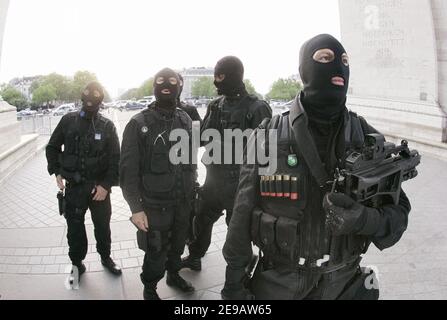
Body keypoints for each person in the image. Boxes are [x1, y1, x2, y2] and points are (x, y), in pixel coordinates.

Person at [221, 34, 412, 300]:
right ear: (304, 71)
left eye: (344, 61)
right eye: (325, 58)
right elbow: (241, 215)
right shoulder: (267, 135)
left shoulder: (366, 137)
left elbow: (400, 214)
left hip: (344, 282)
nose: (338, 68)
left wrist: (363, 219)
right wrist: (233, 286)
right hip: (279, 283)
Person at [181, 56, 272, 271]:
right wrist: (189, 119)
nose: (216, 81)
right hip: (214, 180)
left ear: (232, 76)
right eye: (214, 76)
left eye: (220, 76)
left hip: (241, 184)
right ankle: (195, 257)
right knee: (201, 222)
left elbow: (266, 153)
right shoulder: (215, 105)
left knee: (238, 232)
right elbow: (201, 138)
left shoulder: (257, 107)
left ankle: (242, 269)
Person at [120, 68, 196, 300]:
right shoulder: (138, 123)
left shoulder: (185, 119)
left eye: (172, 81)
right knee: (156, 249)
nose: (166, 85)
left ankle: (173, 274)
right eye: (160, 81)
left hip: (183, 200)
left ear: (179, 87)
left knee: (178, 244)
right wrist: (136, 208)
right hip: (154, 204)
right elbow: (127, 171)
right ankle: (150, 288)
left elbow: (189, 160)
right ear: (154, 87)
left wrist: (194, 189)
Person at [46, 81, 122, 281]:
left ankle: (106, 258)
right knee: (75, 229)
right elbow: (52, 147)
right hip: (74, 189)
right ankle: (77, 264)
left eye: (95, 96)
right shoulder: (68, 121)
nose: (90, 100)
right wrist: (57, 171)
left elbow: (116, 159)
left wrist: (106, 186)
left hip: (99, 190)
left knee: (103, 227)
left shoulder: (107, 126)